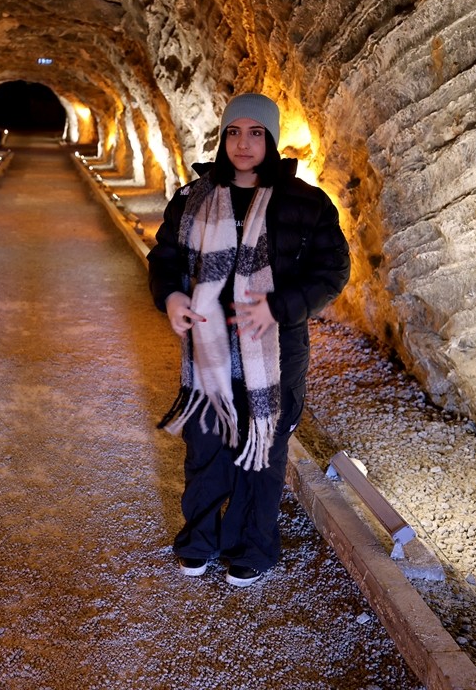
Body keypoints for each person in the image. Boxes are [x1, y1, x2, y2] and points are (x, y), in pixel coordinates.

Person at [148, 93, 350, 587]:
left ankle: (251, 547)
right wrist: (172, 297)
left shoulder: (305, 203)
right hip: (210, 356)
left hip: (275, 355)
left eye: (256, 133)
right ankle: (199, 541)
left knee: (263, 453)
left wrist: (277, 308)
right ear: (223, 138)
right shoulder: (191, 198)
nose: (243, 143)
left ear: (271, 140)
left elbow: (332, 271)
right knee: (207, 449)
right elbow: (165, 258)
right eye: (234, 132)